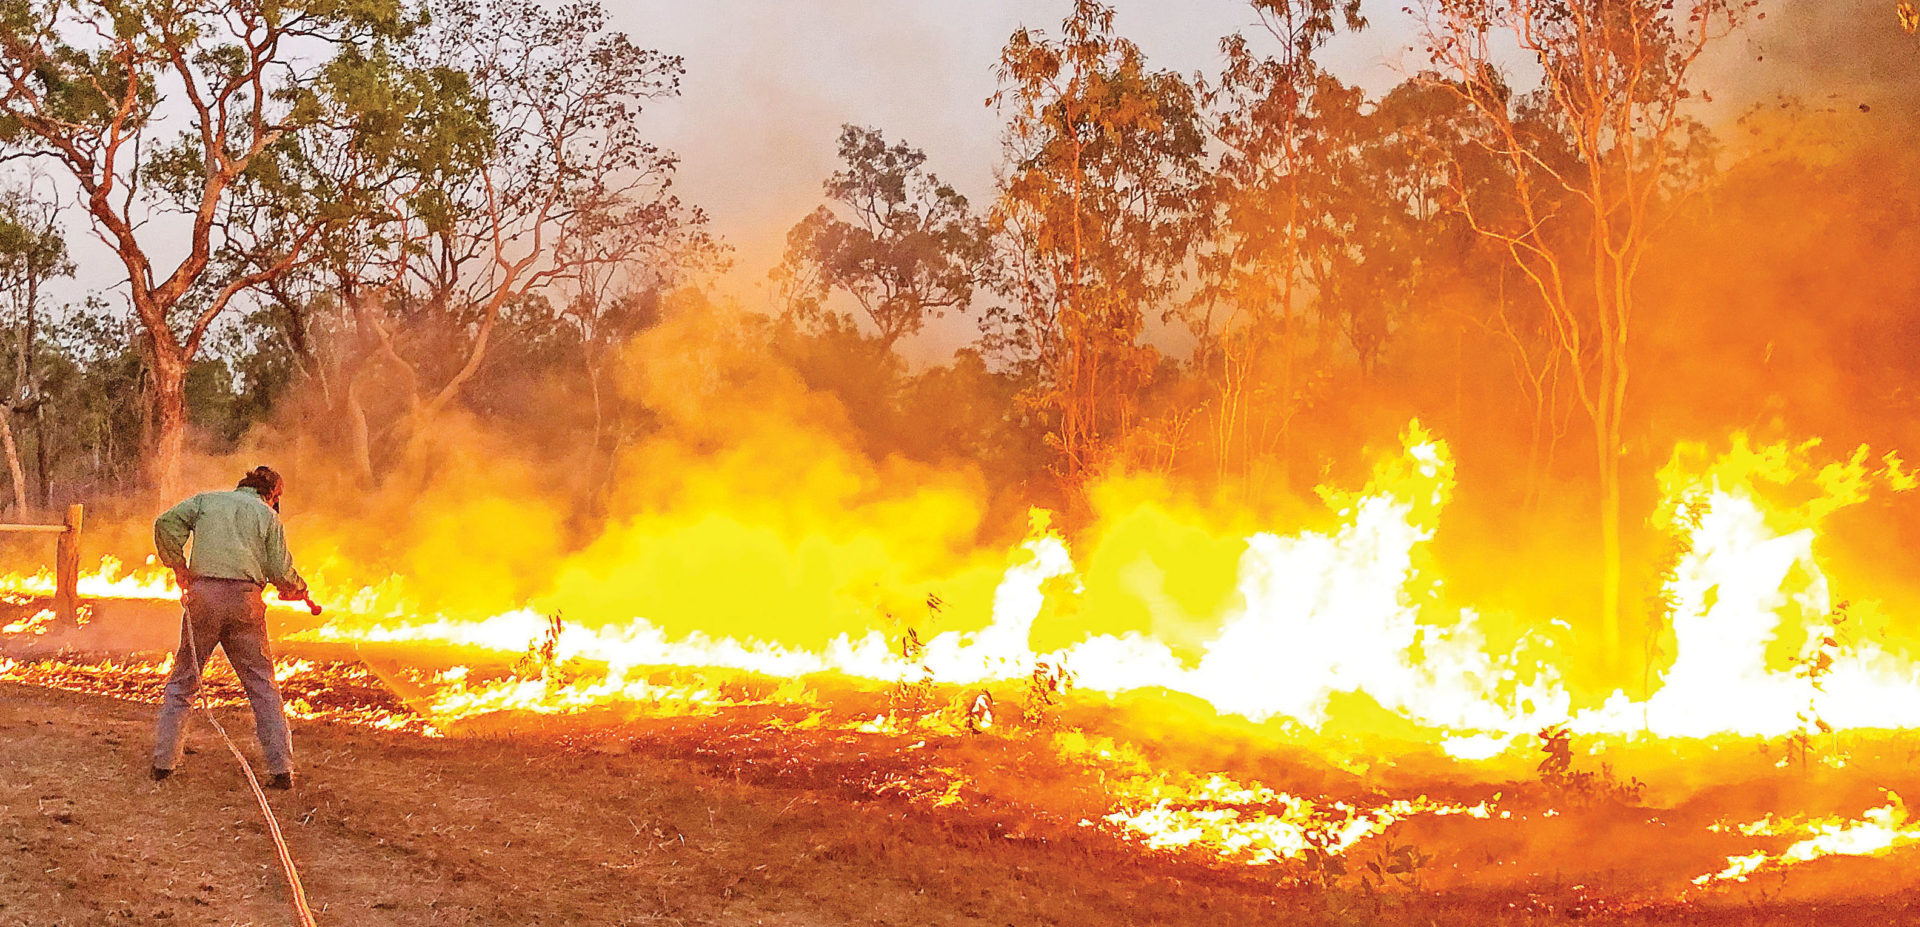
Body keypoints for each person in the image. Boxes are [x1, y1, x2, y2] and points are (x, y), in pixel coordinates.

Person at [150, 465, 309, 790]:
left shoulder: (207, 501)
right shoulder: (268, 516)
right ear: (272, 494)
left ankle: (163, 764)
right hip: (245, 604)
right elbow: (280, 569)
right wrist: (297, 587)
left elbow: (165, 524)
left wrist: (179, 566)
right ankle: (281, 770)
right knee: (262, 686)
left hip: (203, 599)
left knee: (183, 682)